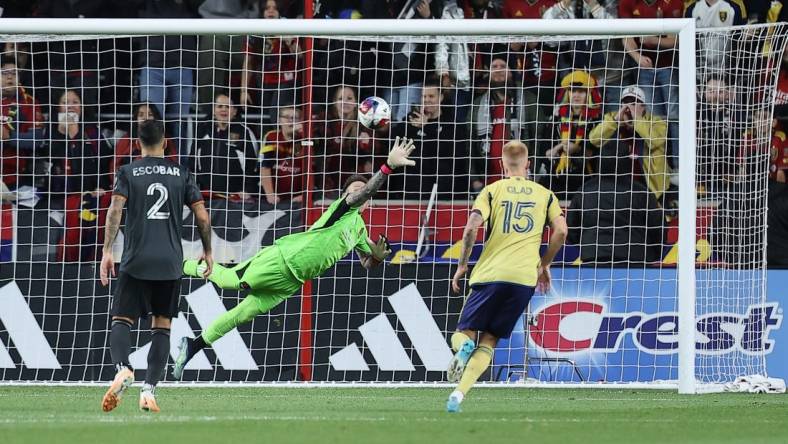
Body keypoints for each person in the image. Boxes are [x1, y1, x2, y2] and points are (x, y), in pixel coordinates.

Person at [170, 137, 417, 380]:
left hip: (291, 282)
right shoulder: (342, 209)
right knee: (229, 281)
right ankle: (179, 264)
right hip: (282, 260)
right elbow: (365, 192)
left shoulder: (360, 231)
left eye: (363, 191)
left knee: (241, 314)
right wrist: (388, 166)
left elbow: (366, 263)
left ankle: (193, 346)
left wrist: (377, 257)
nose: (360, 193)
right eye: (355, 190)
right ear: (345, 196)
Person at [98, 120, 213, 413]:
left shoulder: (128, 171)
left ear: (138, 143)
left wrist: (107, 250)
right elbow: (202, 215)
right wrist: (208, 251)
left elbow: (115, 210)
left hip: (136, 259)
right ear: (165, 143)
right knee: (162, 327)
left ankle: (123, 368)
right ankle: (149, 390)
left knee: (121, 320)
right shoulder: (182, 173)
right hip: (170, 262)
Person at [447, 140, 568, 413]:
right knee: (490, 340)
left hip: (491, 273)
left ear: (502, 164)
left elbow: (471, 228)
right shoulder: (545, 194)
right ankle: (458, 395)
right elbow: (561, 231)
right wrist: (544, 265)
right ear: (528, 165)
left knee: (463, 334)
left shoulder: (492, 191)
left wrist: (462, 265)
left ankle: (463, 348)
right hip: (524, 278)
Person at [566, 144, 664, 265]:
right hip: (635, 260)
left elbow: (571, 228)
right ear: (626, 161)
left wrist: (589, 246)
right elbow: (658, 227)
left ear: (599, 160)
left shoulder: (584, 191)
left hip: (594, 259)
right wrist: (653, 253)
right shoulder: (641, 191)